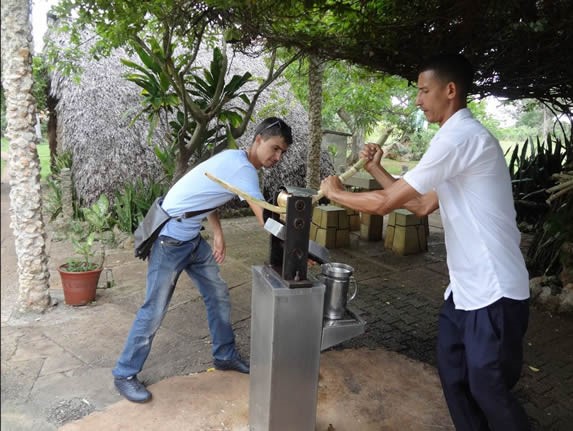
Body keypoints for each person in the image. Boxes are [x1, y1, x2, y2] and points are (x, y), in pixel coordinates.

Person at [320, 54, 530, 430]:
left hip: (494, 290)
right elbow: (418, 204)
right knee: (453, 376)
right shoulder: (455, 141)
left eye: (423, 90)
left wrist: (336, 193)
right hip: (465, 290)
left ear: (450, 91)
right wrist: (374, 169)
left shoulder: (461, 137)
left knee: (489, 389)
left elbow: (386, 204)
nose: (418, 100)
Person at [113, 117, 293, 403]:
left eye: (282, 152)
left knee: (218, 294)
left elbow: (207, 194)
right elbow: (264, 218)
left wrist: (218, 232)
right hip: (170, 241)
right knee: (154, 309)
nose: (277, 157)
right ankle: (124, 373)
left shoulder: (233, 160)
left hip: (191, 239)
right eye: (274, 148)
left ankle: (224, 355)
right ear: (258, 140)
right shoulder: (243, 169)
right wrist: (298, 246)